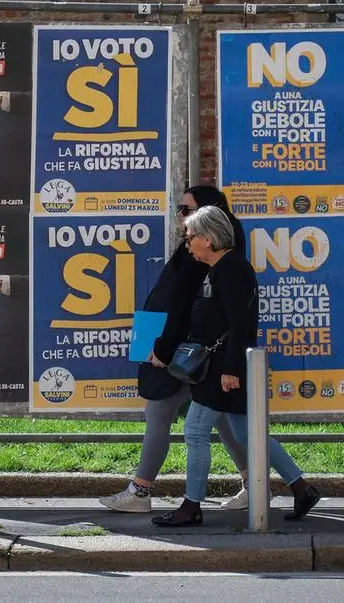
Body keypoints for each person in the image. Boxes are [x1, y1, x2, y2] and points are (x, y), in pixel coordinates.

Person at [150, 206, 321, 527]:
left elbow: (242, 323)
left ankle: (191, 506)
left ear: (209, 238)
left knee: (195, 432)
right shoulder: (218, 269)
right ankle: (301, 488)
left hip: (220, 370)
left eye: (191, 237)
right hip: (221, 367)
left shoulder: (231, 269)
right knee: (248, 433)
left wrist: (231, 370)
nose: (187, 243)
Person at [99, 185, 254, 513]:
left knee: (160, 410)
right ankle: (258, 484)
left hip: (183, 349)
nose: (180, 216)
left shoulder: (205, 252)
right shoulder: (200, 249)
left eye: (187, 210)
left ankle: (141, 492)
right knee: (222, 417)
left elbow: (185, 307)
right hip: (177, 342)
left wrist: (164, 349)